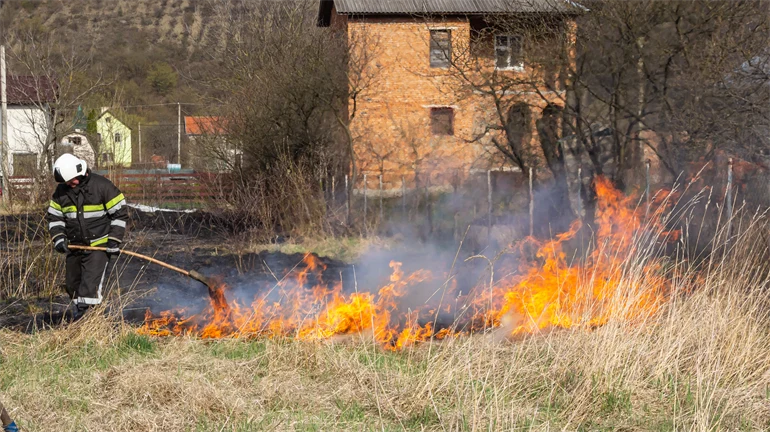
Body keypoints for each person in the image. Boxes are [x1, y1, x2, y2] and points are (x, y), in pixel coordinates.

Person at [46, 153, 128, 315]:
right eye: (67, 182)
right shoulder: (61, 192)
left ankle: (89, 318)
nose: (70, 184)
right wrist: (59, 238)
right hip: (75, 245)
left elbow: (120, 213)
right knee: (72, 284)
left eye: (72, 180)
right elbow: (55, 218)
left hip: (99, 245)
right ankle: (81, 314)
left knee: (89, 286)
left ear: (81, 172)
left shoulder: (102, 186)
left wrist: (113, 240)